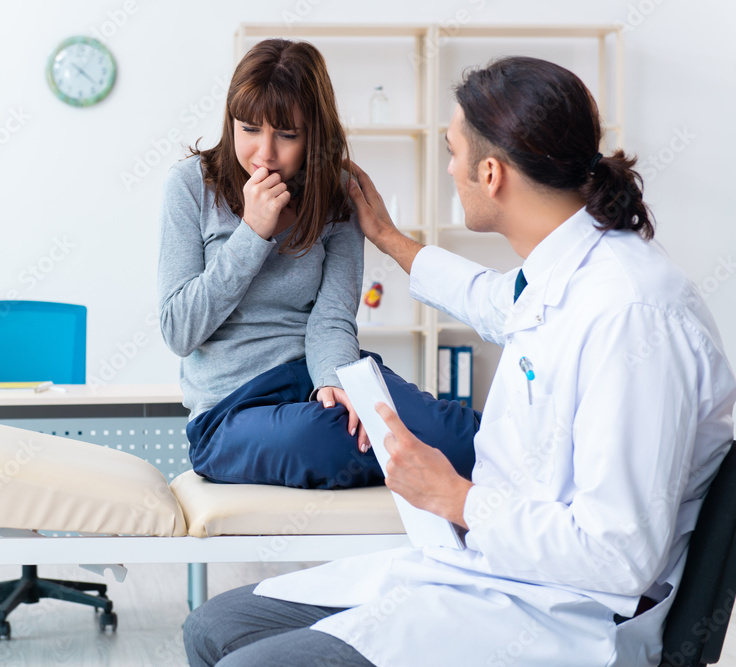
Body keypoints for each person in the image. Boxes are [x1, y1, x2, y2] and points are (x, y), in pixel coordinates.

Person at [183, 56, 736, 666]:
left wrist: (456, 498)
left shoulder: (633, 317)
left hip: (563, 612)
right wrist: (390, 238)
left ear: (491, 173)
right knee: (215, 627)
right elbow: (495, 302)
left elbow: (619, 556)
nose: (448, 168)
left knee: (247, 662)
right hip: (494, 566)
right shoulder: (564, 273)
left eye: (451, 152)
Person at [157, 38, 479, 490]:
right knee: (326, 441)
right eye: (249, 129)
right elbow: (178, 330)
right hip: (232, 409)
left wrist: (336, 382)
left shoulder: (336, 191)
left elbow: (331, 316)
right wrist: (253, 234)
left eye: (287, 135)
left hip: (318, 374)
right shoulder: (191, 185)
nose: (264, 154)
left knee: (464, 435)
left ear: (314, 134)